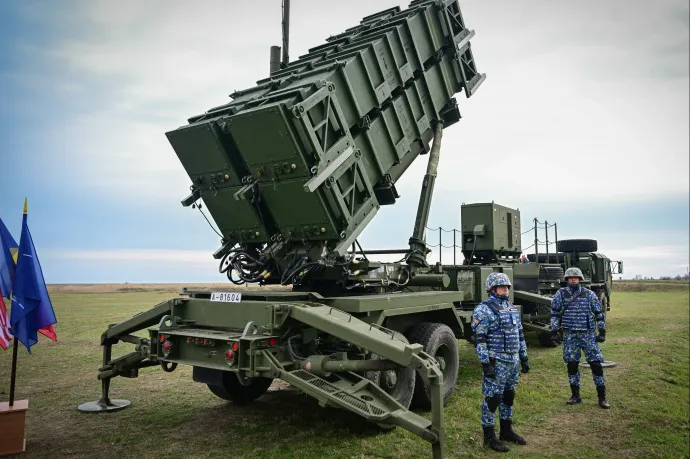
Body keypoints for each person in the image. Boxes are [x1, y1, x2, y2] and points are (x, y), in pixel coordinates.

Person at [471, 272, 530, 452]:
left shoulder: (511, 308)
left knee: (508, 395)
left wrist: (524, 357)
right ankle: (489, 437)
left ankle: (506, 431)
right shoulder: (483, 310)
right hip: (496, 361)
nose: (505, 289)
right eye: (502, 286)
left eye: (507, 286)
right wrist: (485, 364)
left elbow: (519, 335)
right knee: (493, 398)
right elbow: (480, 339)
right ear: (492, 289)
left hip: (512, 361)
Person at [550, 267, 610, 408]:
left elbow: (599, 313)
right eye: (570, 277)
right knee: (572, 365)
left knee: (595, 365)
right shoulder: (561, 294)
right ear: (567, 279)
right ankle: (575, 395)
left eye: (576, 277)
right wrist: (554, 330)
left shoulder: (589, 294)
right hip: (570, 335)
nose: (573, 279)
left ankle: (602, 397)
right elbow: (555, 312)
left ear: (580, 279)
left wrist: (602, 331)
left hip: (588, 335)